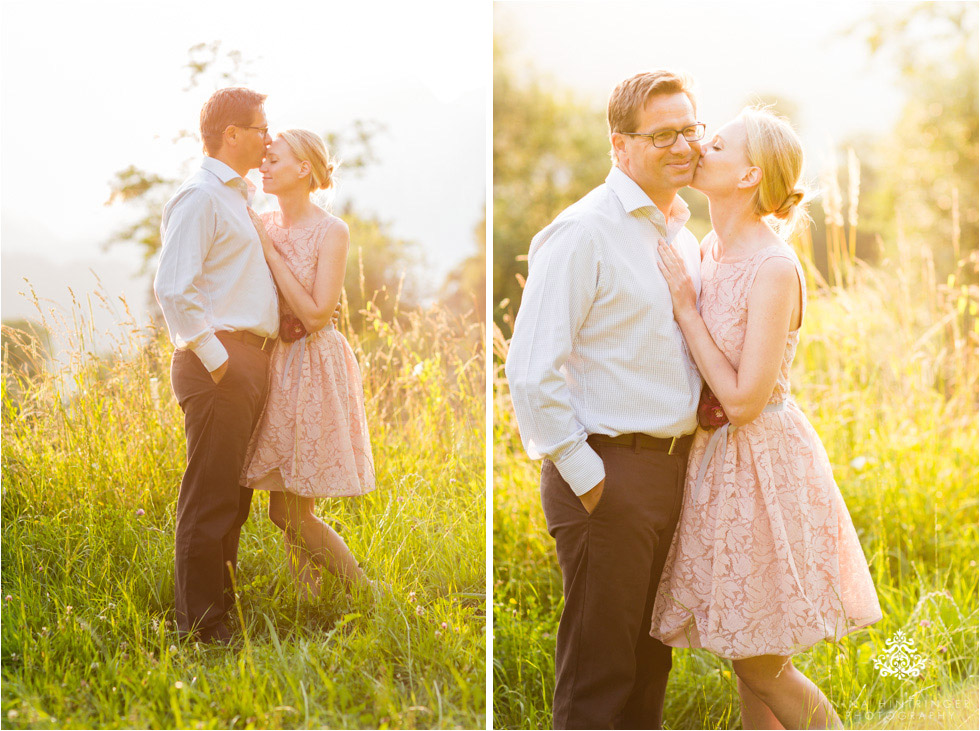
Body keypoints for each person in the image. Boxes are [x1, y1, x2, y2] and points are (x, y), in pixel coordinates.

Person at [651, 107, 882, 730]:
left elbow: (746, 400)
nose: (701, 146)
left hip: (764, 464)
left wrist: (684, 308)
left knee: (761, 665)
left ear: (750, 174)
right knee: (746, 656)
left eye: (718, 145)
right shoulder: (708, 246)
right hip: (720, 463)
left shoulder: (774, 267)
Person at [505, 70, 705, 730]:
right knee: (599, 679)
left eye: (690, 129)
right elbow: (532, 371)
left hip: (672, 474)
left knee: (650, 671)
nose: (683, 145)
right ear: (620, 146)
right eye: (663, 133)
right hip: (606, 474)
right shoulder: (584, 231)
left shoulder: (679, 232)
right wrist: (592, 481)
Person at [154, 87, 277, 644]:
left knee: (232, 498)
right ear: (231, 134)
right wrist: (220, 362)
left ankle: (222, 614)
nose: (268, 138)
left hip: (245, 361)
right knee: (208, 499)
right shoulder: (200, 196)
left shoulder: (236, 198)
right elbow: (174, 289)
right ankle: (202, 629)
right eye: (260, 129)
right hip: (217, 365)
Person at [241, 129, 376, 600]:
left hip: (314, 362)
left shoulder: (330, 230)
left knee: (290, 510)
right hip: (273, 360)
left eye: (274, 159)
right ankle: (309, 601)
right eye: (265, 159)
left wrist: (272, 253)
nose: (265, 166)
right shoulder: (261, 220)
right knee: (287, 497)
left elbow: (318, 314)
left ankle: (363, 591)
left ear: (303, 169)